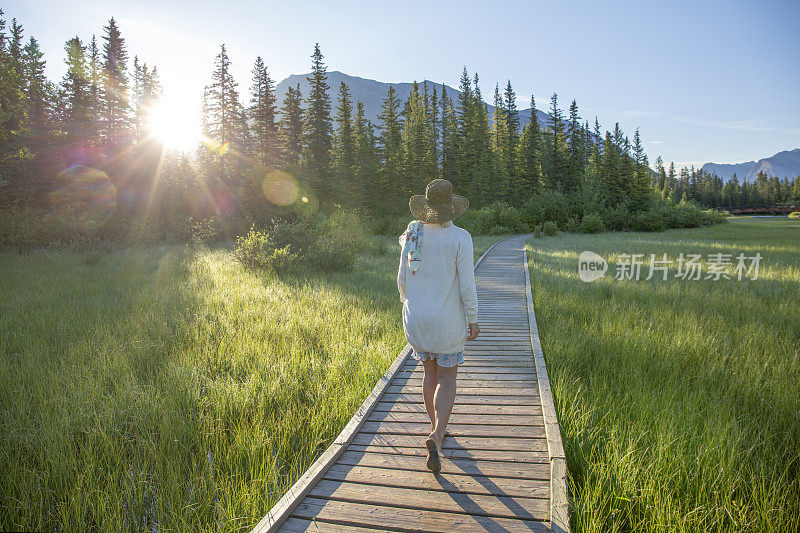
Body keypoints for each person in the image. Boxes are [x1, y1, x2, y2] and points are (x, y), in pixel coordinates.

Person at [397, 179, 479, 473]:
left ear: (427, 206)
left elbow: (402, 280)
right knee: (448, 378)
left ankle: (434, 426)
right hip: (447, 322)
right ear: (451, 208)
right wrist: (473, 318)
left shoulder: (412, 233)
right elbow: (467, 284)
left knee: (429, 372)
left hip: (417, 319)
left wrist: (414, 304)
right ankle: (438, 434)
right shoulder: (461, 237)